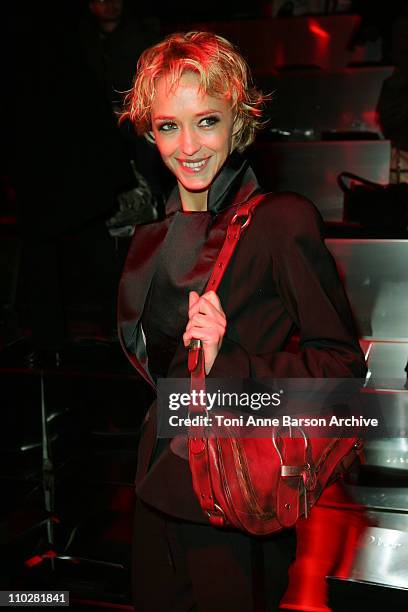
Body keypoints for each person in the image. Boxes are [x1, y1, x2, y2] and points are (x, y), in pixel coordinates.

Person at [117, 31, 367, 612]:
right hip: (156, 493)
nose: (188, 145)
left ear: (238, 119)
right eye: (167, 126)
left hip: (236, 500)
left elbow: (341, 367)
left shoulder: (280, 223)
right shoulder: (149, 240)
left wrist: (232, 364)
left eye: (206, 120)